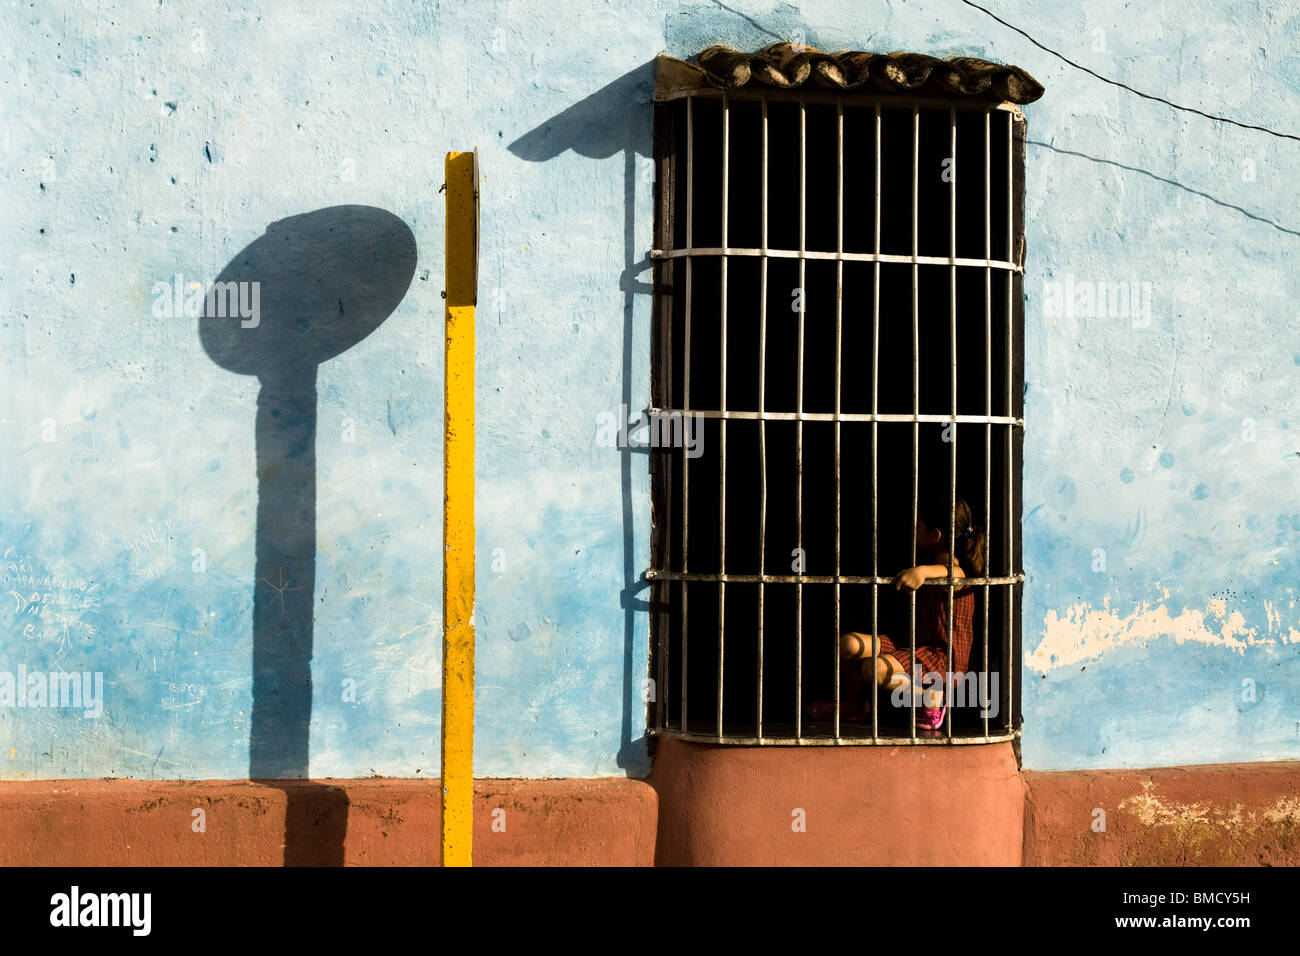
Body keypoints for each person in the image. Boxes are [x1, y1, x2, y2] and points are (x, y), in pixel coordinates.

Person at [809, 493, 983, 731]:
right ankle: (855, 706)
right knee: (848, 644)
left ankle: (933, 695)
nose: (913, 528)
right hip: (916, 646)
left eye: (919, 525)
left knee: (873, 669)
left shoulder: (952, 571)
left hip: (943, 659)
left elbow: (957, 576)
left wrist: (922, 572)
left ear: (935, 535)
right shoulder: (933, 566)